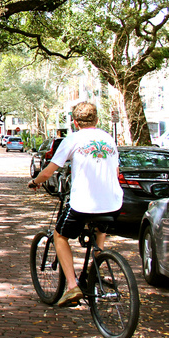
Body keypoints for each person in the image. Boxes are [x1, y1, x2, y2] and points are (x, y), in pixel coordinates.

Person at [27, 102, 123, 307]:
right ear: (97, 119)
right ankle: (97, 265)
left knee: (60, 236)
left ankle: (72, 286)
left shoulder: (73, 139)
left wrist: (35, 182)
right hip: (113, 203)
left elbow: (48, 171)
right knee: (99, 229)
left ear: (75, 122)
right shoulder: (108, 139)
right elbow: (115, 173)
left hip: (83, 203)